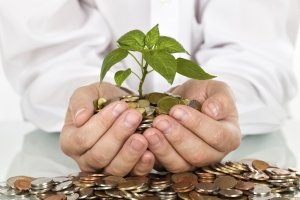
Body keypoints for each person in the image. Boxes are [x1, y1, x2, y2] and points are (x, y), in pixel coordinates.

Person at [0, 1, 299, 177]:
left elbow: (258, 45)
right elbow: (46, 47)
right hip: (54, 157)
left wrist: (221, 103)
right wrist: (89, 104)